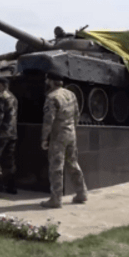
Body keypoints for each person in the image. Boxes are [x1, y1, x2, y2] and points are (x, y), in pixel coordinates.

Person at [40, 72, 87, 208]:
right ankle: (81, 192)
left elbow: (48, 121)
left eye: (47, 80)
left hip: (58, 136)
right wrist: (72, 128)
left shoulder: (51, 96)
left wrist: (44, 138)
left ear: (51, 81)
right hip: (71, 134)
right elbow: (77, 115)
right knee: (73, 163)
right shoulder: (70, 94)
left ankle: (56, 199)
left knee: (56, 167)